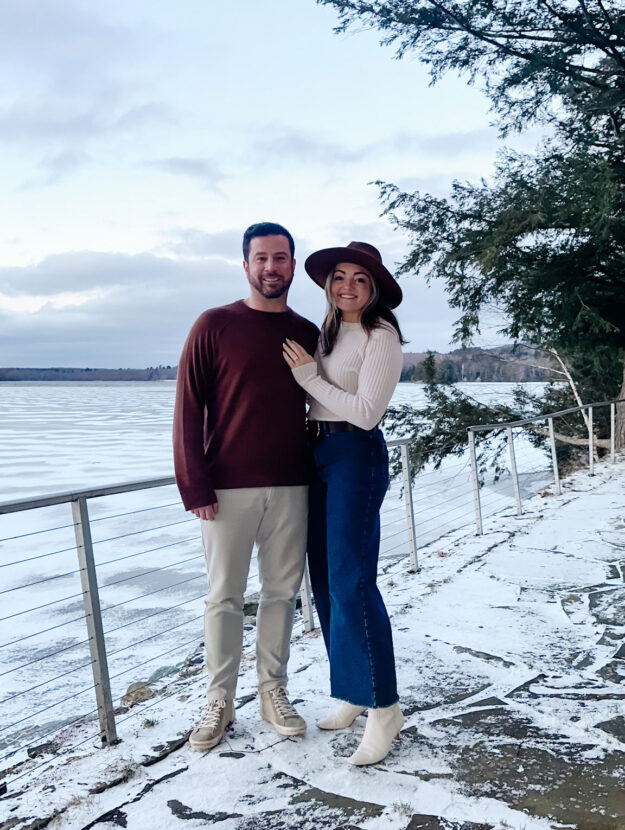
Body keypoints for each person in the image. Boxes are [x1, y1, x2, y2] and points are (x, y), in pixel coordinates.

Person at [173, 221, 319, 752]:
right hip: (226, 489)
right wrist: (195, 485)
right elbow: (188, 408)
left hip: (293, 483)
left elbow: (324, 404)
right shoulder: (214, 324)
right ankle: (219, 701)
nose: (271, 268)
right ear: (246, 265)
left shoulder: (308, 333)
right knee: (224, 598)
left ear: (293, 265)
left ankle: (273, 692)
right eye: (261, 258)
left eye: (280, 258)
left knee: (281, 594)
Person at [282, 241, 405, 766]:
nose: (347, 285)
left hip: (356, 454)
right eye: (339, 276)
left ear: (374, 287)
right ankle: (354, 691)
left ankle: (384, 707)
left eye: (359, 277)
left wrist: (310, 377)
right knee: (327, 581)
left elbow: (367, 412)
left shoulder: (382, 336)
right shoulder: (329, 333)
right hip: (319, 453)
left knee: (353, 581)